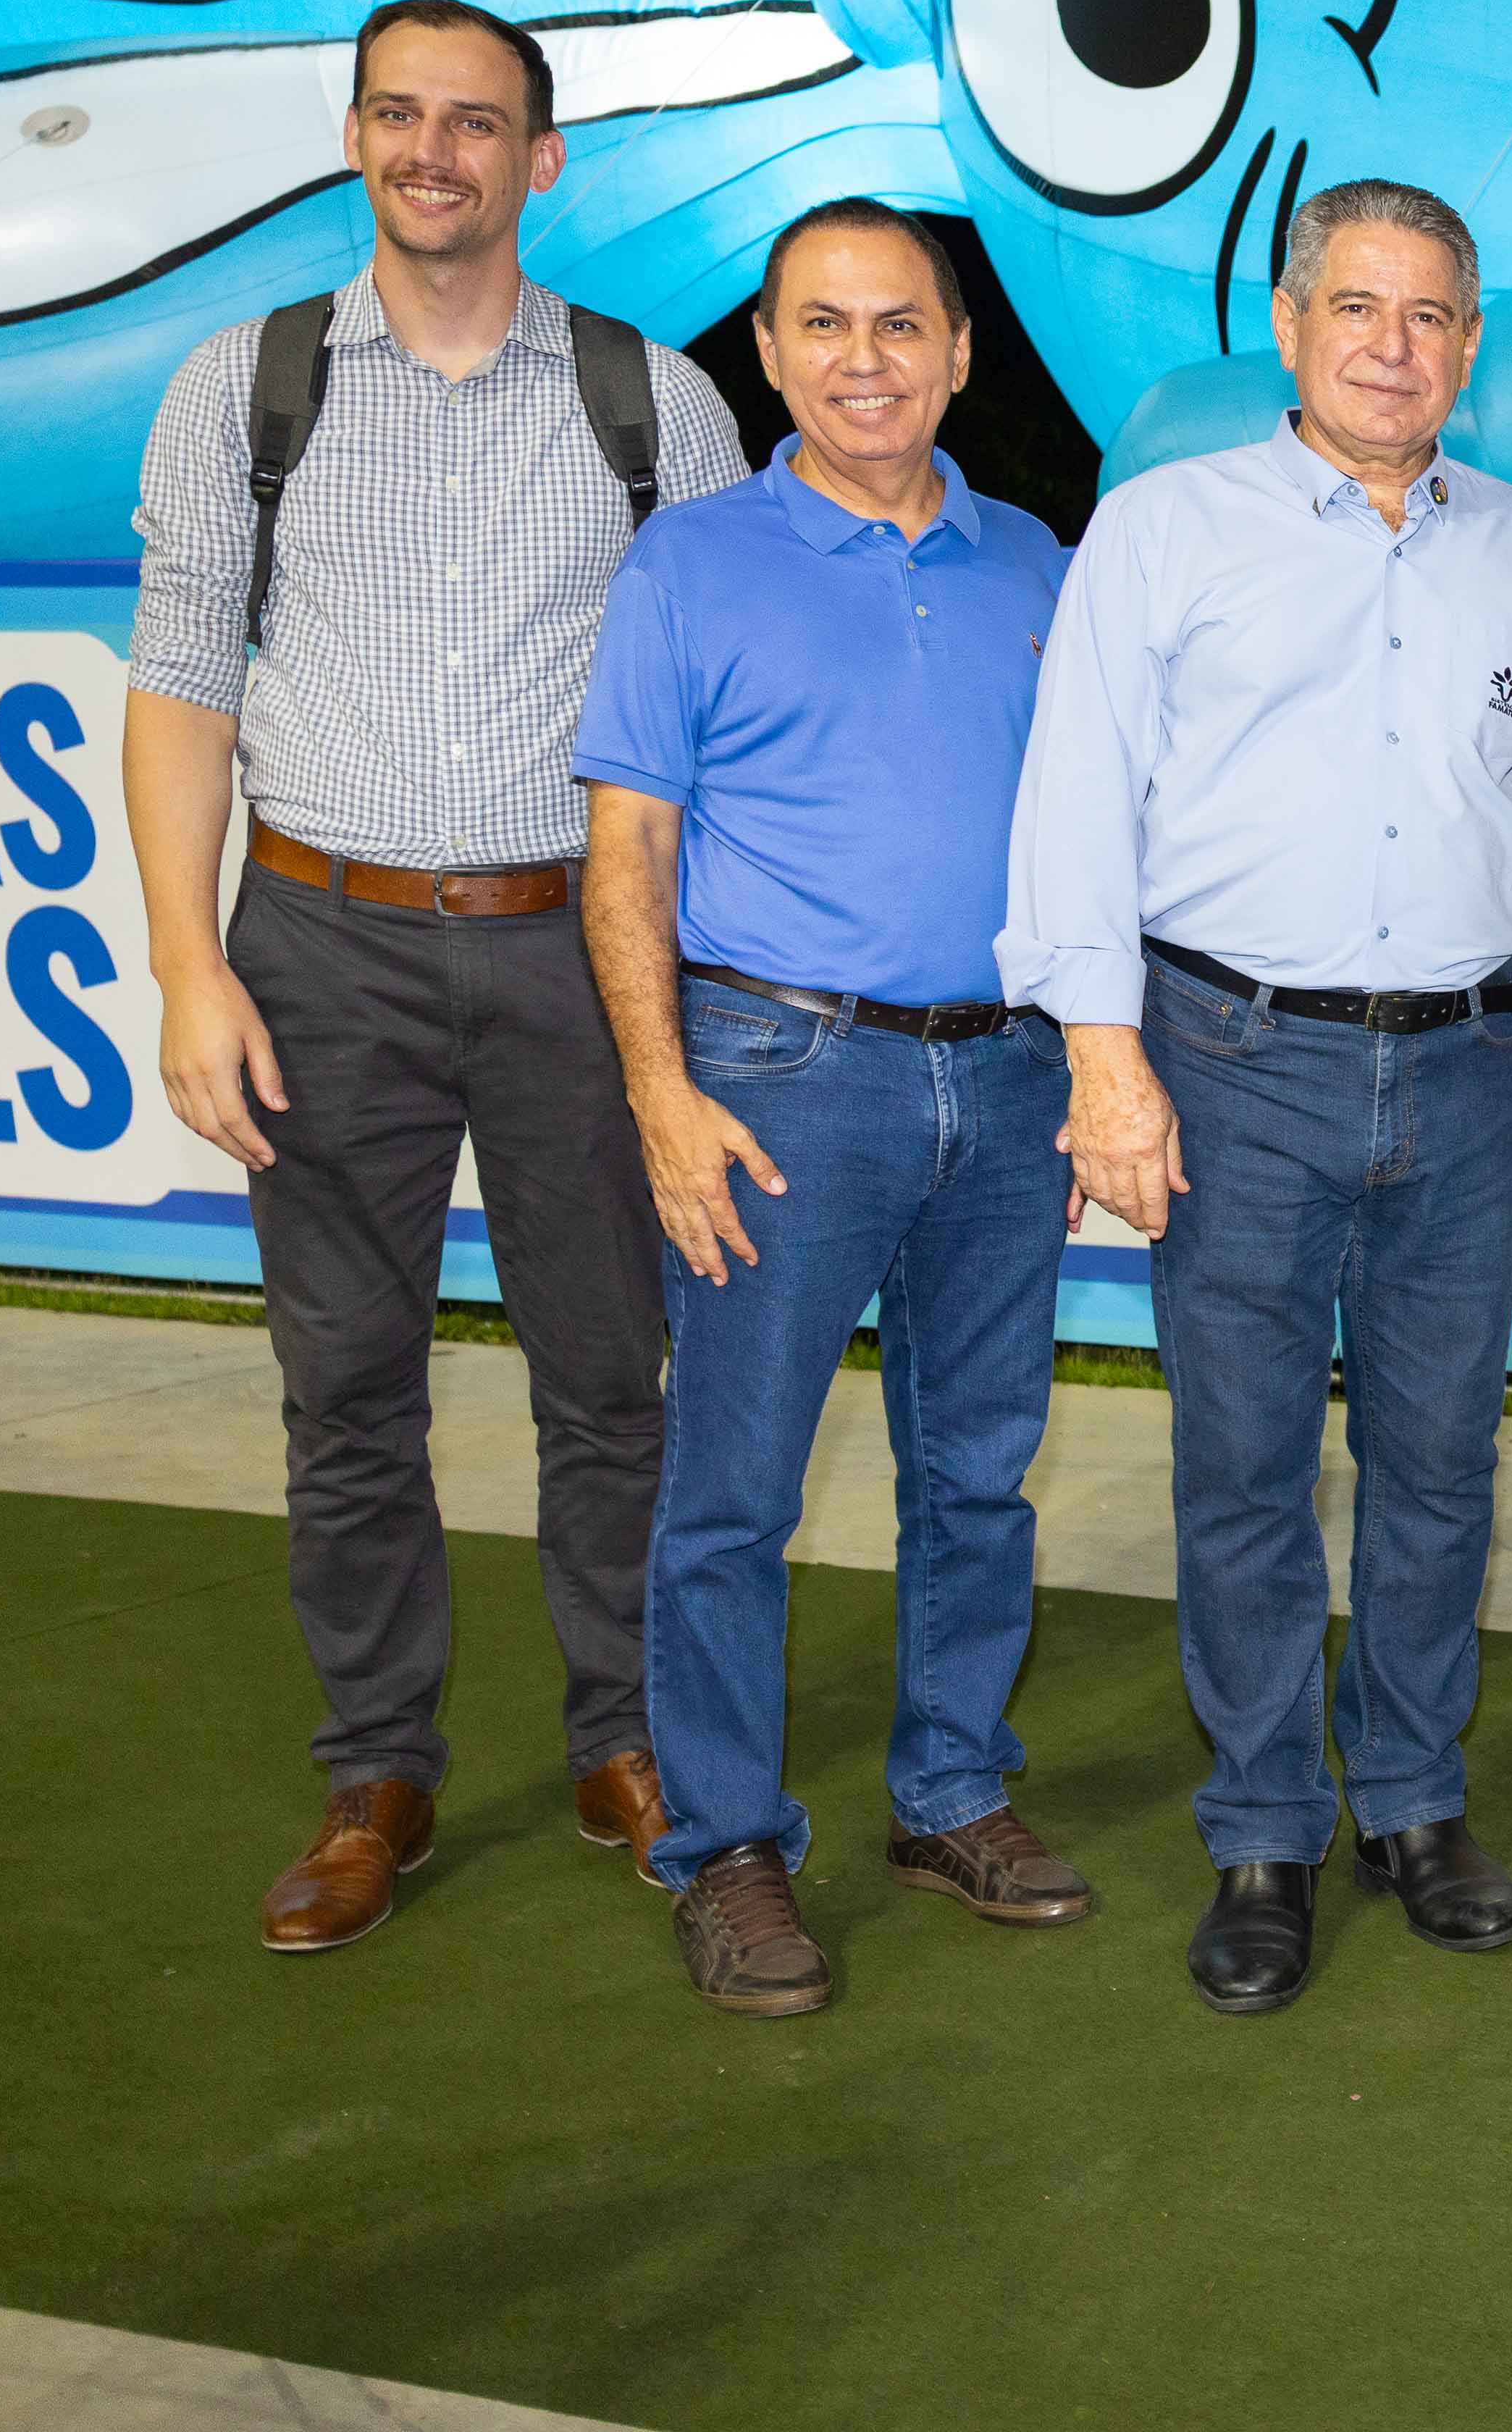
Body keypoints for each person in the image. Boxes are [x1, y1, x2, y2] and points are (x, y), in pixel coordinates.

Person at [124, 0, 742, 1953]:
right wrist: (187, 966)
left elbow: (718, 711)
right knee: (345, 1391)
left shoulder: (655, 399)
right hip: (319, 947)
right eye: (397, 113)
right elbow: (182, 685)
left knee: (613, 1383)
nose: (431, 151)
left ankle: (629, 1738)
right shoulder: (245, 386)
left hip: (580, 950)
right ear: (354, 138)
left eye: (475, 123)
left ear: (539, 160)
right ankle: (376, 1771)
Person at [1006, 179, 1512, 2018]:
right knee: (1246, 1467)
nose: (1391, 345)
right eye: (1356, 307)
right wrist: (1103, 1057)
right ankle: (1267, 1829)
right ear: (1288, 326)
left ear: (1471, 346)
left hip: (1474, 1066)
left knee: (1442, 1463)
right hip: (1231, 1062)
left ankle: (1415, 1805)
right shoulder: (1163, 530)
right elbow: (1076, 796)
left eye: (1430, 315)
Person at [572, 199, 1081, 2018]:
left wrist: (1097, 1059)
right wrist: (661, 1092)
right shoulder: (691, 562)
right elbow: (627, 848)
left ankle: (951, 1792)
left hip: (1009, 1076)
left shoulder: (1038, 561)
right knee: (732, 1491)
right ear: (772, 355)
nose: (866, 359)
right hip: (782, 1078)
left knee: (978, 1469)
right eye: (824, 325)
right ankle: (723, 1844)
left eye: (900, 324)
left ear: (960, 351)